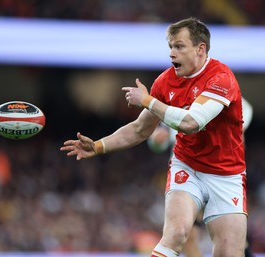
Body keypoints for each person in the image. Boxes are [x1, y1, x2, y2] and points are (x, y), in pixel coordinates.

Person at [61, 17, 248, 257]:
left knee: (229, 253)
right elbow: (140, 129)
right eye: (170, 46)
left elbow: (191, 123)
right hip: (187, 166)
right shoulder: (165, 81)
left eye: (179, 46)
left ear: (200, 49)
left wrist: (148, 101)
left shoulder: (221, 78)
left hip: (227, 175)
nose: (172, 53)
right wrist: (98, 146)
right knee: (176, 234)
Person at [147, 97, 254, 257]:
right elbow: (157, 135)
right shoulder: (175, 96)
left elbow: (240, 123)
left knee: (231, 243)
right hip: (188, 177)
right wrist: (157, 140)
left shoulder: (226, 93)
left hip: (220, 176)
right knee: (185, 235)